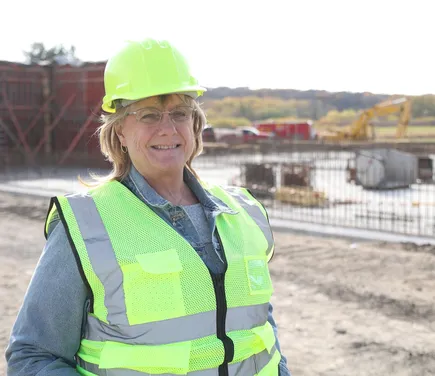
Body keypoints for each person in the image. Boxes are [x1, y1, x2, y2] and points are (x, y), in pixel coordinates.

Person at [5, 38, 291, 376]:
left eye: (180, 114)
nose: (167, 129)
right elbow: (33, 356)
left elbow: (261, 332)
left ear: (195, 124)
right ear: (120, 131)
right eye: (149, 115)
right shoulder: (86, 225)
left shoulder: (244, 212)